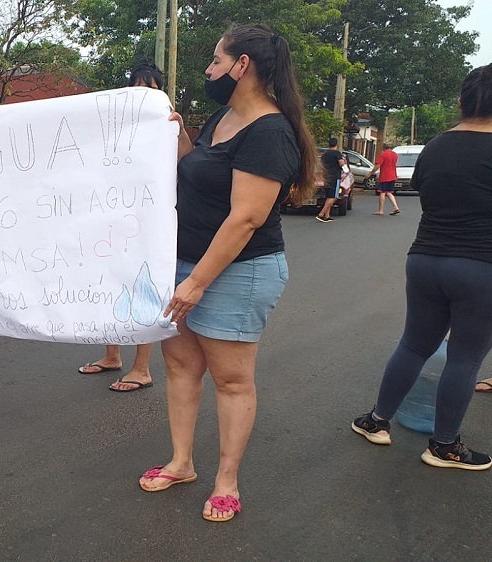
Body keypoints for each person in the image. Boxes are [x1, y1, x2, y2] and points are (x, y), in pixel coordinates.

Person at [137, 25, 315, 522]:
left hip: (240, 271)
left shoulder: (269, 132)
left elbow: (246, 218)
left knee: (231, 381)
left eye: (216, 61)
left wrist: (196, 283)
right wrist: (178, 135)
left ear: (242, 66)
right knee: (180, 367)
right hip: (187, 262)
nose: (209, 69)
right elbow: (199, 172)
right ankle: (181, 463)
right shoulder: (224, 116)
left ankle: (226, 481)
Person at [351, 64, 492, 471]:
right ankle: (444, 446)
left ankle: (376, 420)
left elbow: (428, 195)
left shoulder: (434, 147)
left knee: (414, 344)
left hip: (425, 259)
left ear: (462, 102)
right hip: (480, 266)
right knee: (465, 358)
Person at [78, 61, 163, 391]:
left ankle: (142, 368)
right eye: (137, 87)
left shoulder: (166, 127)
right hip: (111, 221)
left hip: (148, 224)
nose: (143, 93)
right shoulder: (113, 128)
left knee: (144, 290)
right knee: (111, 285)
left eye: (150, 88)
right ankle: (112, 355)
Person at [316, 137, 345, 222]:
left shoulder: (324, 155)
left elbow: (321, 165)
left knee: (328, 196)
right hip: (335, 176)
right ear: (336, 145)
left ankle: (327, 215)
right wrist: (343, 162)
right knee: (334, 197)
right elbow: (341, 163)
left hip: (326, 176)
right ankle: (321, 214)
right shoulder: (337, 153)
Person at [368, 143, 401, 216]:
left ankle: (380, 210)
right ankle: (396, 207)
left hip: (385, 176)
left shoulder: (383, 155)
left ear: (383, 148)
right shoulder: (395, 155)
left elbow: (378, 165)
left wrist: (371, 173)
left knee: (382, 192)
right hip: (393, 175)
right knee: (389, 192)